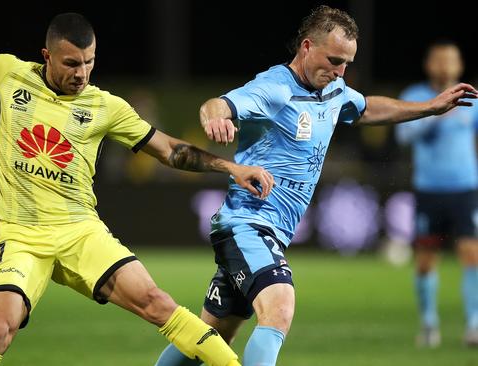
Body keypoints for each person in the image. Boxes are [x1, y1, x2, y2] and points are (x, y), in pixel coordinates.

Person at [0, 12, 277, 366]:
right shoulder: (11, 74)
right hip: (20, 234)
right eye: (71, 63)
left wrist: (231, 167)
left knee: (157, 302)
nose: (81, 73)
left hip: (79, 231)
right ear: (46, 57)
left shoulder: (105, 106)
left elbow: (169, 150)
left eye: (89, 62)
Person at [155, 5, 477, 366]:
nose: (340, 71)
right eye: (334, 60)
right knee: (279, 307)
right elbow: (218, 105)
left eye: (347, 64)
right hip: (248, 223)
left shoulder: (334, 89)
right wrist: (215, 119)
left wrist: (429, 107)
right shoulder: (275, 88)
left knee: (209, 337)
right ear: (307, 46)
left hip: (273, 231)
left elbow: (367, 108)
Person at [395, 40, 478, 348]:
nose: (445, 67)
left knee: (472, 255)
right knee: (426, 260)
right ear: (429, 65)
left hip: (465, 190)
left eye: (451, 61)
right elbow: (403, 136)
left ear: (459, 66)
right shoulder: (416, 97)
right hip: (429, 191)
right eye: (439, 61)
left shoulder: (472, 98)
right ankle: (429, 324)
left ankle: (473, 324)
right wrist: (433, 113)